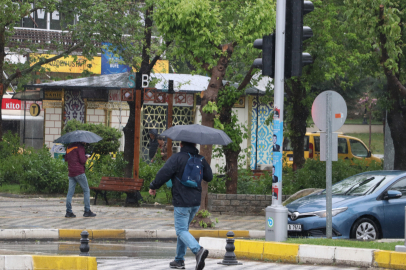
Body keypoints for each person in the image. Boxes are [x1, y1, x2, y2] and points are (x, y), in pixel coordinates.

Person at [149, 141, 213, 270]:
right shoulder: (200, 159)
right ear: (195, 145)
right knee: (184, 229)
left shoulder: (177, 158)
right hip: (195, 202)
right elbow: (209, 177)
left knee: (181, 230)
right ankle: (179, 260)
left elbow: (164, 173)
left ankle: (198, 250)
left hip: (182, 200)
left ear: (182, 145)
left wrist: (153, 186)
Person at [64, 142, 96, 218]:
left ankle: (68, 212)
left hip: (71, 172)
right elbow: (82, 160)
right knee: (86, 190)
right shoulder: (80, 147)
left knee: (70, 192)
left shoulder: (69, 147)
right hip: (79, 172)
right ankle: (87, 211)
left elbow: (66, 159)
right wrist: (86, 157)